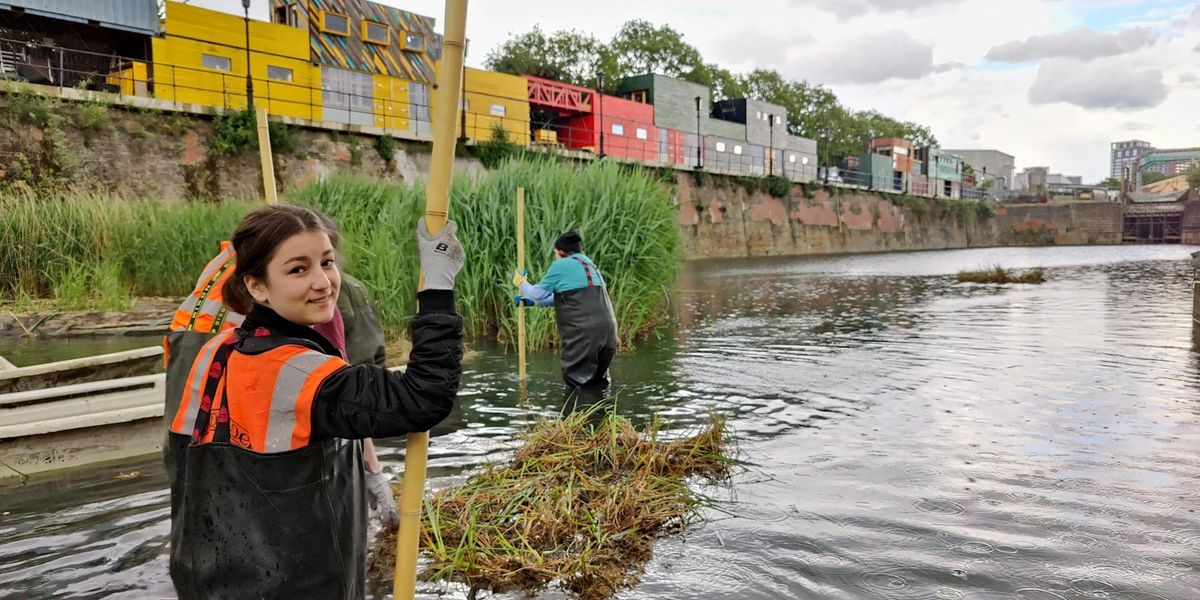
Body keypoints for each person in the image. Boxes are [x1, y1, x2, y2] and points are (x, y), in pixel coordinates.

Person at [164, 204, 464, 599]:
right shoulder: (300, 373)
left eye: (327, 262)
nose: (323, 282)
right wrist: (438, 287)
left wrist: (370, 469)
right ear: (256, 286)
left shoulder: (216, 353)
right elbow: (423, 398)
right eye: (298, 269)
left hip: (203, 581)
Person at [163, 236, 398, 532]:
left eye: (327, 263)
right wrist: (373, 471)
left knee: (208, 531)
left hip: (189, 437)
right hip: (259, 447)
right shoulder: (322, 296)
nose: (323, 279)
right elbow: (356, 401)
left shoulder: (223, 270)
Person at [513, 230, 618, 412]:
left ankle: (576, 430)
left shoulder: (561, 266)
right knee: (597, 381)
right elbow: (566, 298)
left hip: (584, 333)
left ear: (561, 252)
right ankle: (600, 424)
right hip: (608, 332)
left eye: (555, 253)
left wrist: (521, 282)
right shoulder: (590, 265)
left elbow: (538, 292)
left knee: (577, 382)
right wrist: (532, 303)